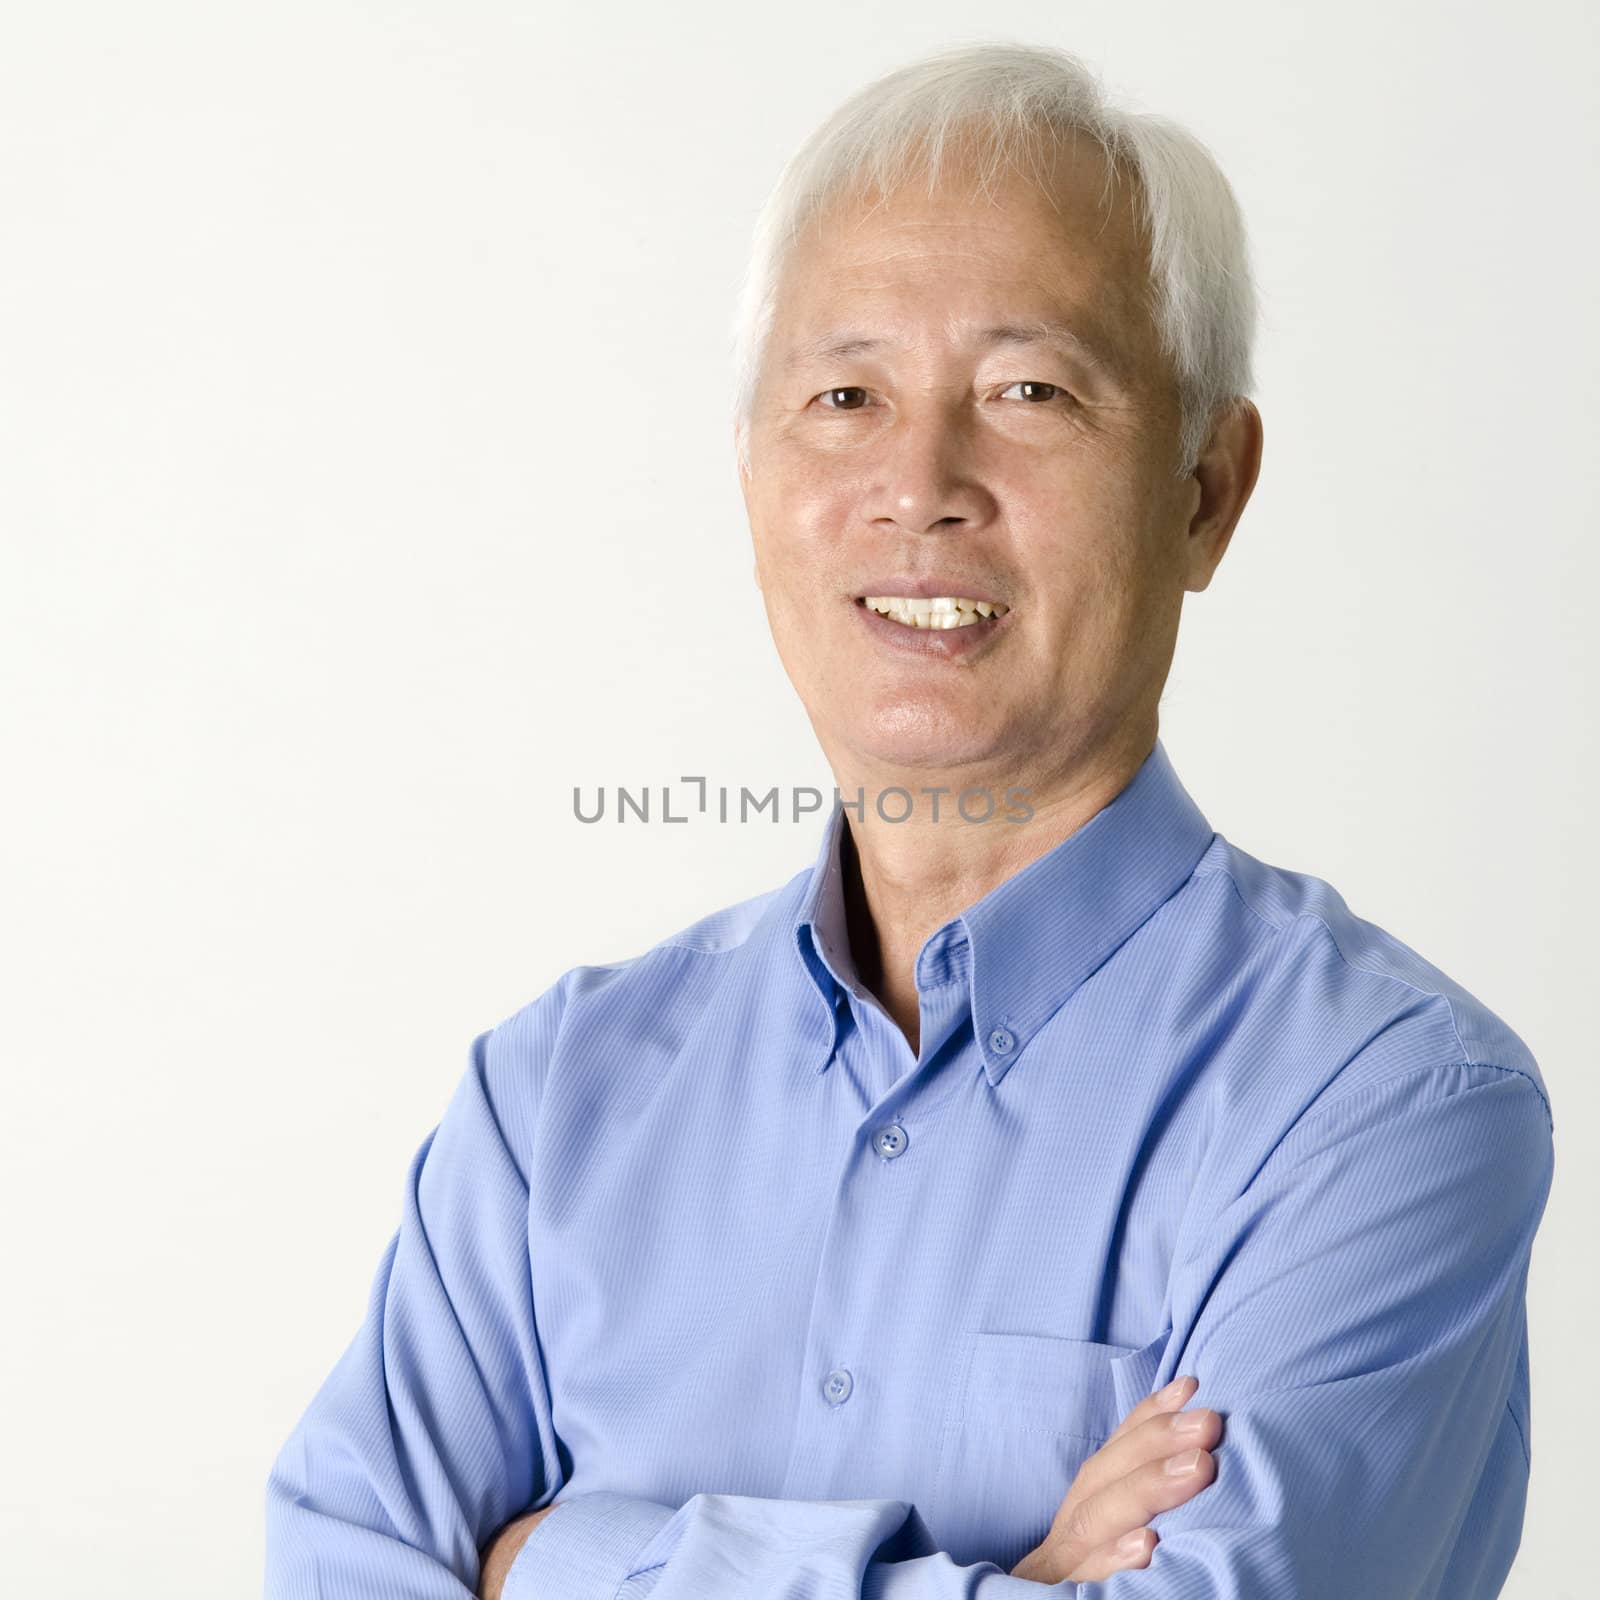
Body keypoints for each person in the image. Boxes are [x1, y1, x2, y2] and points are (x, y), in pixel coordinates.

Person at [263, 40, 1555, 1599]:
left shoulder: (1382, 1107)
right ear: (751, 481)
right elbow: (342, 1564)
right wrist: (1011, 1575)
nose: (919, 483)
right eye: (844, 394)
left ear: (1207, 488)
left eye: (1028, 390)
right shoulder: (551, 1110)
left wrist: (551, 1562)